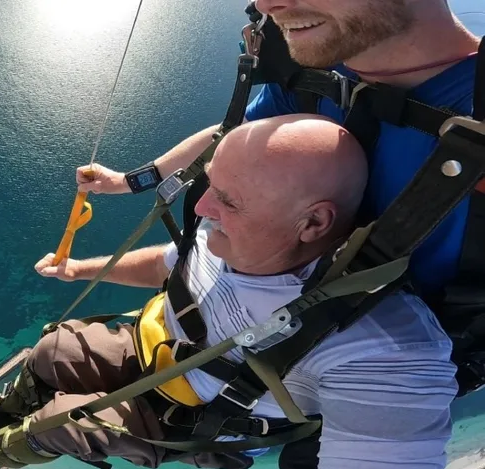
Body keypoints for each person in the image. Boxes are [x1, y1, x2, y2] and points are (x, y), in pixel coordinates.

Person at [0, 115, 458, 469]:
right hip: (159, 353)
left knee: (64, 421)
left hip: (199, 417)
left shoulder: (380, 346)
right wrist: (79, 269)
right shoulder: (233, 234)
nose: (206, 209)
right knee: (53, 348)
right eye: (211, 186)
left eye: (228, 200)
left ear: (312, 222)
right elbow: (168, 264)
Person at [78, 0, 480, 296]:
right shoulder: (316, 74)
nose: (268, 5)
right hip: (238, 335)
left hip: (348, 380)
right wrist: (130, 182)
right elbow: (233, 135)